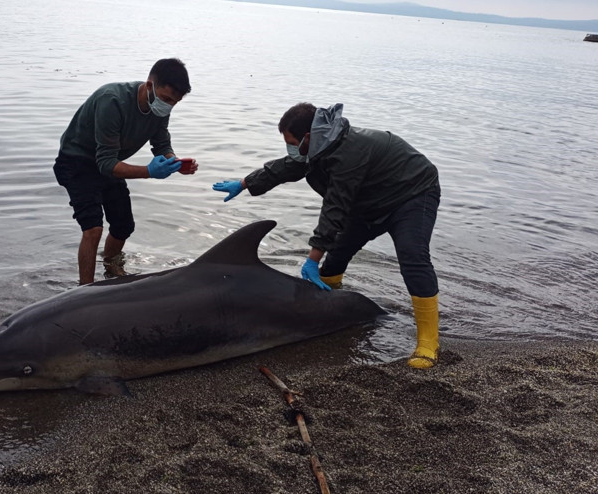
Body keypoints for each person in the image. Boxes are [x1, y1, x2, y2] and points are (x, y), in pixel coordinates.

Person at [212, 103, 441, 369]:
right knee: (335, 259)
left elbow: (336, 207)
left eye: (292, 142)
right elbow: (286, 167)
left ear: (308, 137)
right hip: (368, 202)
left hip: (411, 194)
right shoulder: (318, 147)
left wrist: (312, 258)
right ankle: (333, 311)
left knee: (413, 258)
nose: (290, 148)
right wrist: (244, 183)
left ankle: (428, 342)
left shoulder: (349, 152)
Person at [53, 58, 198, 285]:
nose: (168, 106)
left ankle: (111, 270)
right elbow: (106, 164)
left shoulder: (161, 108)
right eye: (166, 99)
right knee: (93, 228)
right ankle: (84, 291)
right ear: (150, 85)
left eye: (174, 103)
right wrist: (149, 172)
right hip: (76, 161)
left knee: (123, 226)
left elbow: (161, 144)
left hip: (110, 162)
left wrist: (174, 162)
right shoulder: (112, 100)